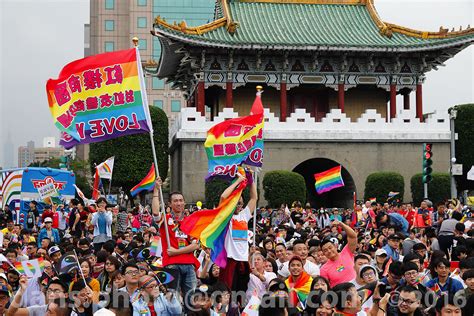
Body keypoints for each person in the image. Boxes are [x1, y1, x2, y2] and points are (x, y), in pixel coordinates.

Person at [151, 178, 200, 312]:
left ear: (184, 202)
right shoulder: (165, 219)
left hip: (189, 265)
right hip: (171, 264)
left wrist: (176, 252)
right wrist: (156, 189)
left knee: (191, 300)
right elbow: (155, 212)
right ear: (170, 203)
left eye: (180, 200)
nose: (178, 203)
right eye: (175, 201)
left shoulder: (190, 220)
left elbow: (196, 245)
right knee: (173, 300)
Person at [218, 171, 257, 294]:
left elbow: (254, 198)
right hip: (230, 260)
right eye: (236, 203)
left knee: (241, 293)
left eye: (241, 203)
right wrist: (238, 181)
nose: (239, 205)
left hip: (244, 260)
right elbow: (223, 197)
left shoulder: (244, 215)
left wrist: (251, 180)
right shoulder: (226, 217)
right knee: (228, 293)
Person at [319, 220, 358, 287]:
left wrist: (341, 224)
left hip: (357, 291)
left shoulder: (346, 252)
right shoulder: (324, 269)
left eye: (330, 247)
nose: (329, 251)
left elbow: (353, 236)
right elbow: (325, 287)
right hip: (341, 295)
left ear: (336, 246)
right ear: (324, 254)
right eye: (325, 250)